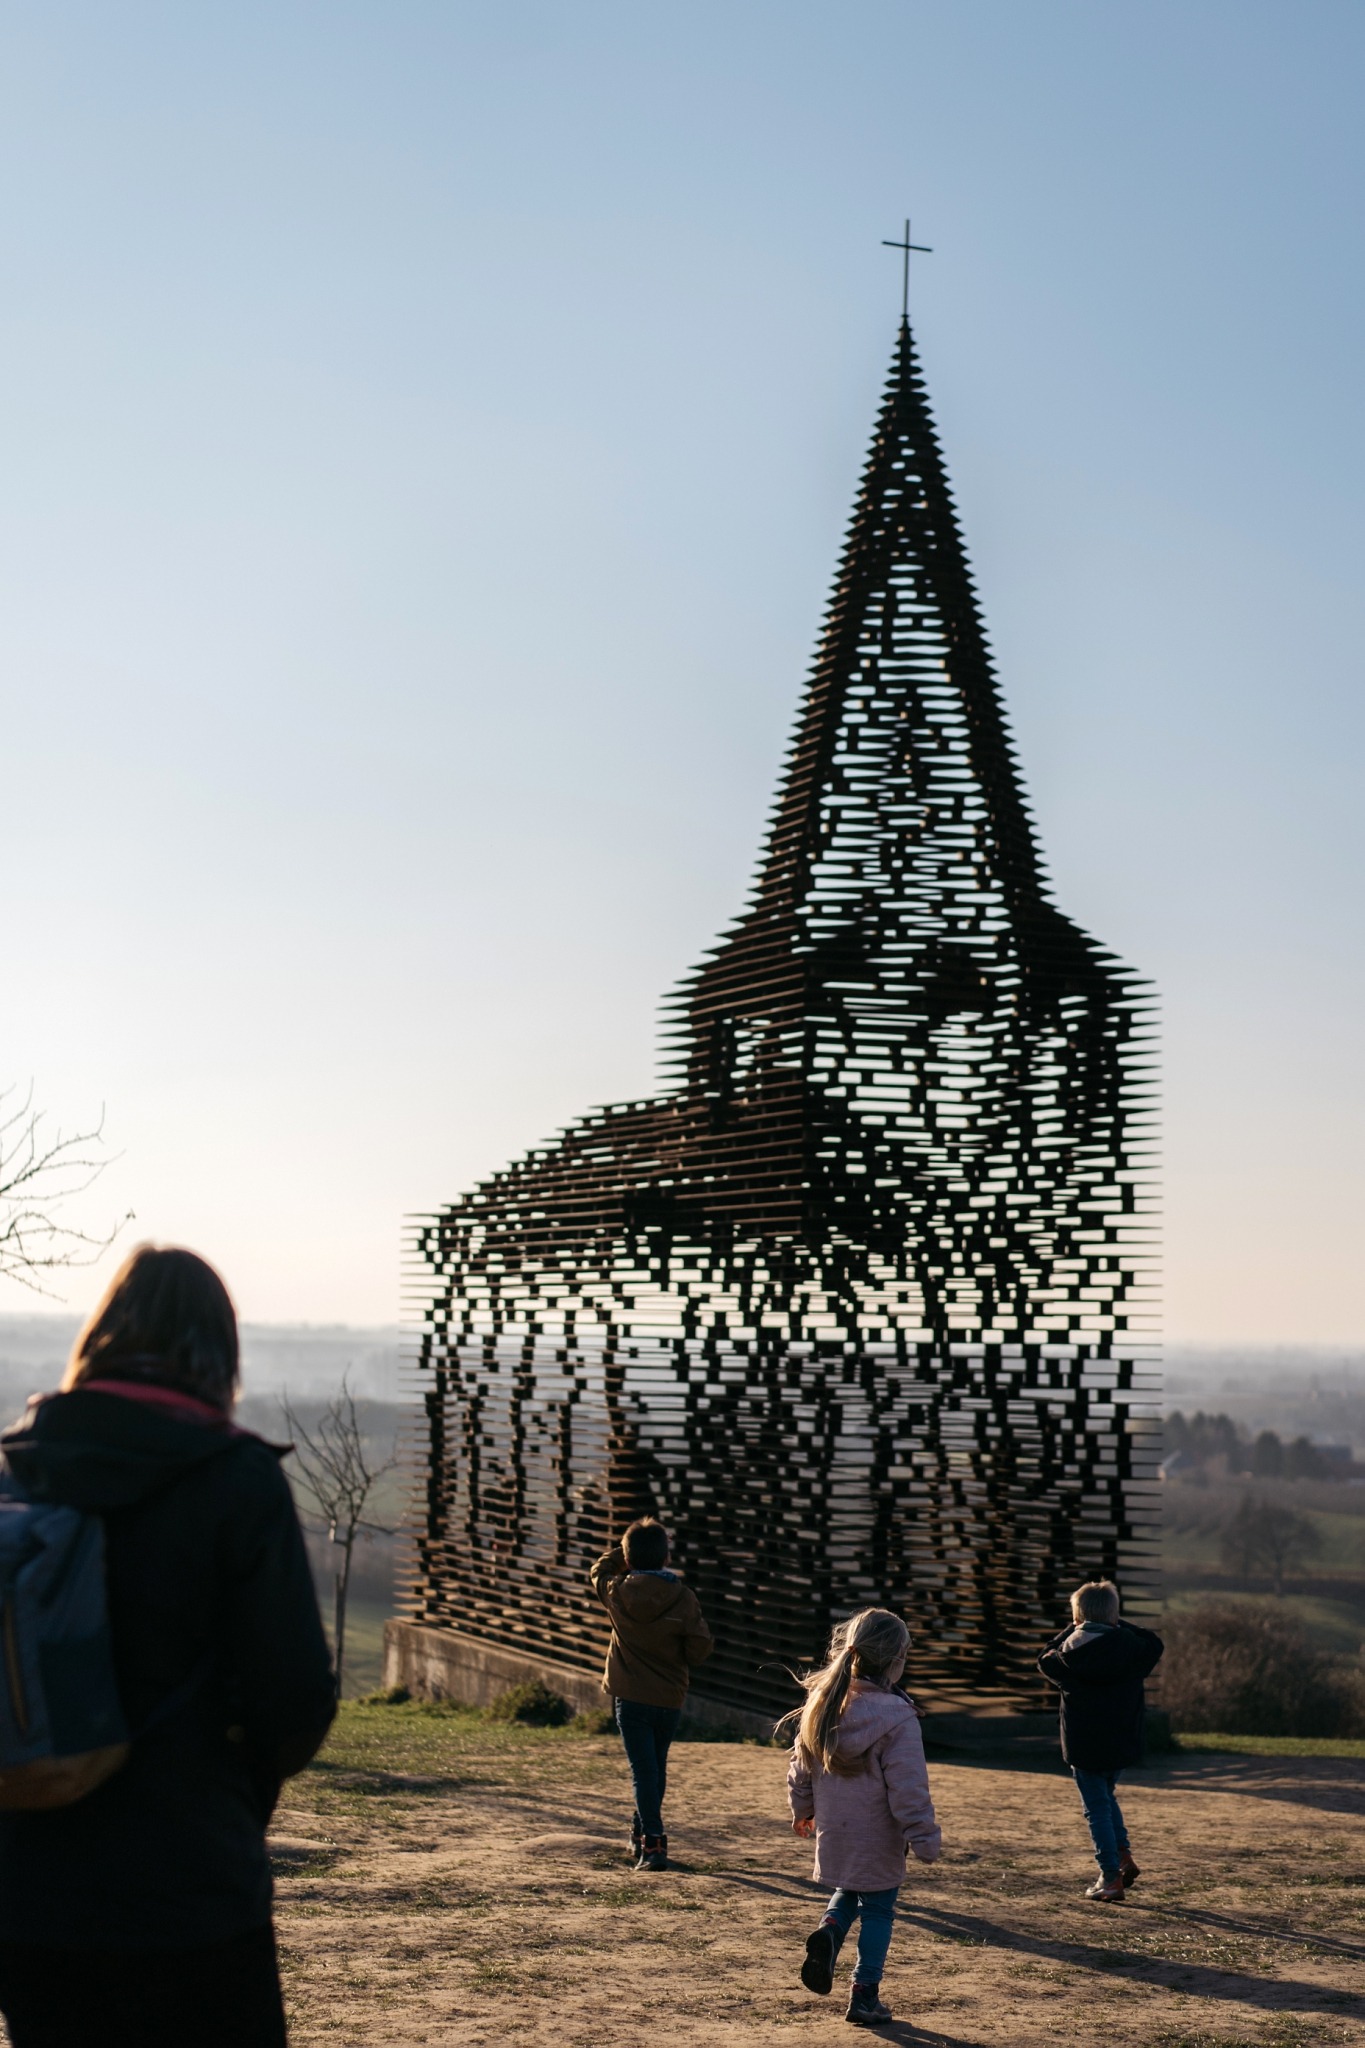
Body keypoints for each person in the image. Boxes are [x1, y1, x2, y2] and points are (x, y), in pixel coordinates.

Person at [0, 1244, 337, 2048]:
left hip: (28, 1886)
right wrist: (231, 1796)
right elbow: (292, 1702)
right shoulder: (237, 1481)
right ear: (220, 1354)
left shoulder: (17, 1469)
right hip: (189, 1882)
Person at [784, 1608, 941, 2029]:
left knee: (849, 1890)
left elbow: (799, 1769)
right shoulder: (897, 1717)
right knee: (879, 1910)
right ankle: (864, 1995)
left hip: (835, 1828)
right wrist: (923, 1837)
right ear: (896, 1659)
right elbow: (909, 1787)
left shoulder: (823, 1705)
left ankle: (831, 1930)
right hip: (879, 1833)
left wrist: (803, 1811)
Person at [589, 1517, 713, 1871]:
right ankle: (641, 1832)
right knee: (655, 1769)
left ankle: (653, 1844)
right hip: (669, 1696)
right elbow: (700, 1648)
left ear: (627, 1560)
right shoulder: (684, 1597)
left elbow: (598, 1567)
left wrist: (626, 1550)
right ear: (667, 1558)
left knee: (644, 1771)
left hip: (629, 1697)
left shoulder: (615, 1590)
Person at [1037, 1578, 1164, 1903]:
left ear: (1078, 1617)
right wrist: (1117, 1623)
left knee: (1096, 1809)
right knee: (1106, 1799)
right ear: (1114, 1615)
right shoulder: (1134, 1650)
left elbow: (1043, 1656)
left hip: (1083, 1745)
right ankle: (1122, 1854)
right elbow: (1154, 1641)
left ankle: (1110, 1876)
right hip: (1122, 1742)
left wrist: (1071, 1628)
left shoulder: (1065, 1657)